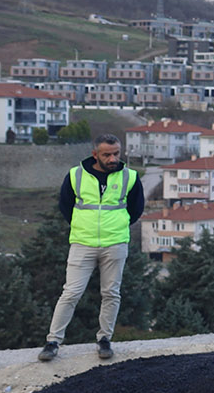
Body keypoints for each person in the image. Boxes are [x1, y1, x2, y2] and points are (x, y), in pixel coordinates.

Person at [38, 134, 143, 362]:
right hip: (82, 243)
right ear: (95, 154)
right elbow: (65, 206)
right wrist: (83, 228)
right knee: (71, 293)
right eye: (107, 154)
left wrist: (116, 228)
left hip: (115, 243)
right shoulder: (75, 175)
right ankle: (53, 341)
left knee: (111, 293)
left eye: (116, 153)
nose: (113, 158)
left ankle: (104, 340)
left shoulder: (130, 177)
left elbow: (136, 210)